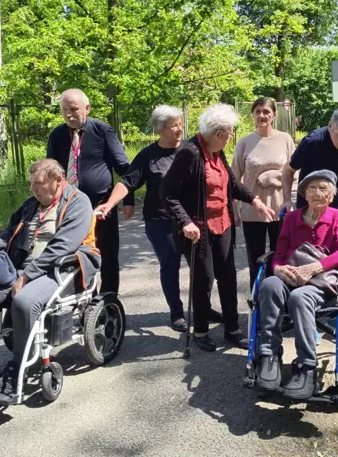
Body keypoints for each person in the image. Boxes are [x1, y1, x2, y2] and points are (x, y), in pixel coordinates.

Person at [0, 159, 100, 399]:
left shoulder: (79, 203)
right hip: (19, 269)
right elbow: (9, 232)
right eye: (30, 183)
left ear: (58, 180)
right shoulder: (30, 205)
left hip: (59, 271)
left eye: (38, 183)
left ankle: (17, 370)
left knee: (25, 301)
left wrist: (26, 277)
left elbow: (62, 248)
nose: (32, 189)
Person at [161, 103, 275, 352]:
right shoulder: (190, 153)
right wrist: (186, 222)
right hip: (198, 229)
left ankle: (232, 329)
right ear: (218, 133)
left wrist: (255, 201)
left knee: (228, 277)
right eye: (230, 132)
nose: (231, 136)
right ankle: (201, 330)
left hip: (223, 224)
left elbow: (232, 183)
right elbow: (167, 194)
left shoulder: (217, 151)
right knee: (203, 281)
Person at [255, 170, 338, 400]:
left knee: (299, 297)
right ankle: (269, 357)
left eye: (323, 188)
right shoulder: (291, 219)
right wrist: (278, 268)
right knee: (269, 285)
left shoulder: (337, 218)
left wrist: (315, 267)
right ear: (304, 194)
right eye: (311, 188)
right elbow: (279, 255)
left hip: (320, 280)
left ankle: (306, 366)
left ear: (331, 195)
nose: (317, 193)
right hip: (290, 274)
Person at [97, 106, 187, 332]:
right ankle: (177, 313)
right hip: (160, 220)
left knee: (203, 266)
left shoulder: (190, 150)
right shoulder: (148, 156)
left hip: (192, 219)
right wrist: (111, 203)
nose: (179, 129)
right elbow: (127, 181)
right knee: (170, 263)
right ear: (160, 129)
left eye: (180, 124)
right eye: (173, 126)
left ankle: (204, 309)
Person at [47, 88, 134, 294]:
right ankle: (86, 299)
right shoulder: (57, 135)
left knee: (107, 255)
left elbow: (124, 168)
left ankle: (108, 301)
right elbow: (50, 170)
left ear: (87, 108)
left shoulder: (102, 131)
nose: (68, 115)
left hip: (101, 206)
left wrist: (128, 200)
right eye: (64, 110)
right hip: (70, 207)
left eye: (73, 109)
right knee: (76, 255)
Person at [231, 97, 295, 288]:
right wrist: (233, 209)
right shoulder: (244, 142)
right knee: (255, 260)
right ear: (252, 115)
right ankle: (256, 298)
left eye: (266, 111)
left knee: (280, 259)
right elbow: (233, 179)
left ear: (274, 115)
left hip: (280, 209)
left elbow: (295, 172)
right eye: (257, 111)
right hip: (252, 211)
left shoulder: (285, 139)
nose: (262, 115)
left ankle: (278, 296)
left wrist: (270, 176)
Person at [282, 105, 338, 219]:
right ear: (330, 126)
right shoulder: (312, 142)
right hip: (310, 207)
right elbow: (288, 170)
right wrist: (287, 200)